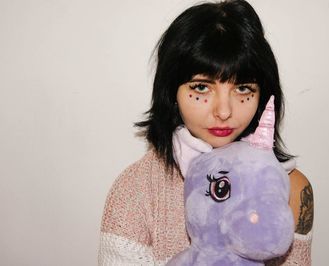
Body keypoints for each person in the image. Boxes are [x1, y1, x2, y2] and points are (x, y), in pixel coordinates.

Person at [98, 0, 314, 265]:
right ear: (171, 92)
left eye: (243, 88)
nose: (223, 111)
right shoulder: (136, 190)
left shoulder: (291, 187)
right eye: (201, 88)